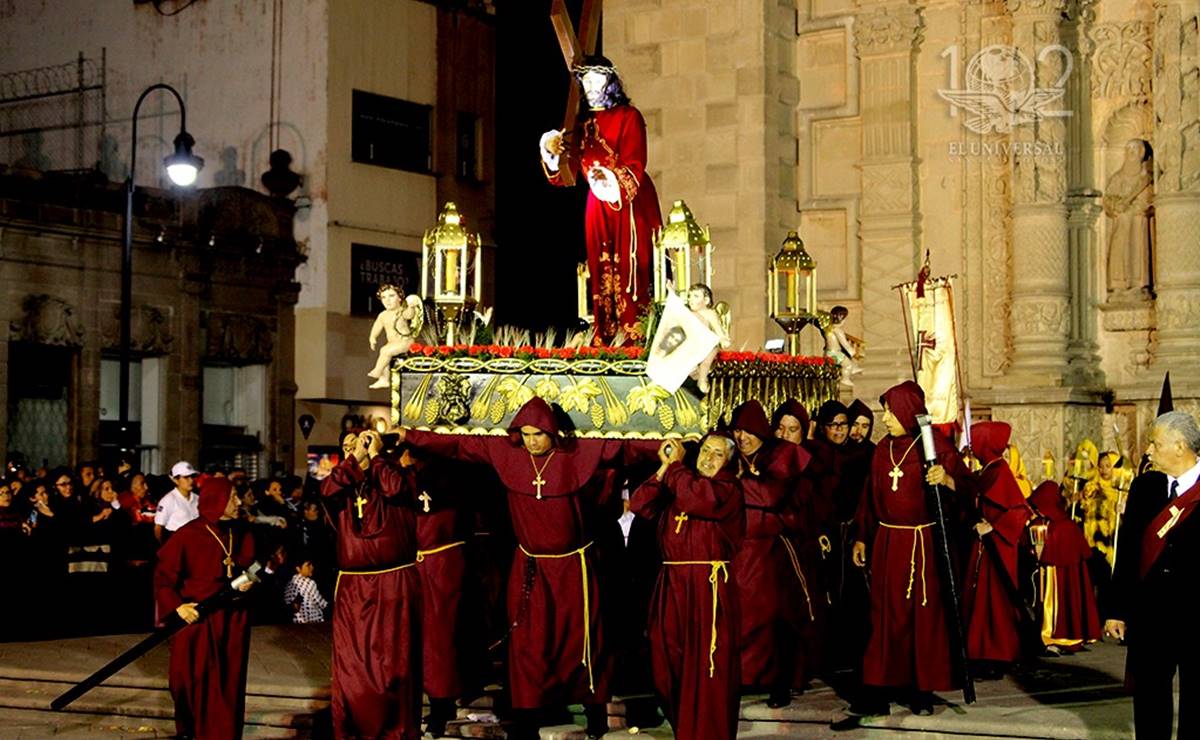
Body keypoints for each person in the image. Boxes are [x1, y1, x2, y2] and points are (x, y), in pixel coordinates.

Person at [396, 397, 659, 739]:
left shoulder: (578, 453)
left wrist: (667, 447)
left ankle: (595, 716)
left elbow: (625, 448)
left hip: (572, 569)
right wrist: (411, 434)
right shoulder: (507, 454)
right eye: (526, 433)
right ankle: (527, 721)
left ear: (553, 431)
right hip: (531, 567)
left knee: (583, 640)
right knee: (528, 643)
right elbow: (460, 443)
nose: (533, 440)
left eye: (539, 434)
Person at [851, 381, 974, 715]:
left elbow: (967, 492)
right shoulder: (881, 450)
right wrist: (863, 536)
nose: (886, 417)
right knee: (886, 617)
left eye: (890, 411)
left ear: (907, 411)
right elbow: (869, 498)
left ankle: (921, 690)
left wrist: (947, 481)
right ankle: (879, 687)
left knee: (923, 619)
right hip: (889, 543)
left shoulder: (935, 446)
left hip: (924, 546)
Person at [539, 55, 663, 343]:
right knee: (601, 270)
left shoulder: (628, 116)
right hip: (597, 205)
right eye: (586, 79)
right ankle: (606, 336)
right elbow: (563, 175)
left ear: (611, 81)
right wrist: (551, 151)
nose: (592, 85)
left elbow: (635, 163)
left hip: (628, 203)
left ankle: (635, 336)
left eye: (598, 79)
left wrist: (610, 179)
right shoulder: (579, 123)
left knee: (632, 270)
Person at [630, 434, 744, 739]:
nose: (708, 458)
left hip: (708, 590)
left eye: (717, 454)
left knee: (707, 668)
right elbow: (640, 503)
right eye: (705, 450)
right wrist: (665, 466)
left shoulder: (726, 488)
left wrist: (677, 465)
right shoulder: (680, 481)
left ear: (728, 462)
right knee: (665, 662)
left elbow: (698, 499)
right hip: (671, 585)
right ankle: (684, 727)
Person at [320, 429, 424, 740]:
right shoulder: (345, 486)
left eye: (361, 443)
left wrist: (377, 456)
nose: (355, 449)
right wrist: (354, 459)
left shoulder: (399, 476)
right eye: (347, 446)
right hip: (354, 589)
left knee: (392, 666)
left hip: (394, 584)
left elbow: (394, 488)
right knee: (353, 668)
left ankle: (395, 731)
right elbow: (327, 489)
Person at [1105, 410, 1200, 739]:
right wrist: (1117, 609)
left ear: (1179, 446)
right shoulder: (1144, 486)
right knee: (1148, 702)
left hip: (1196, 617)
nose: (1147, 451)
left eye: (1154, 444)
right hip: (1150, 616)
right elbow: (1128, 550)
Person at [154, 476, 256, 740]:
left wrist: (248, 584)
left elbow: (251, 568)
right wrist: (177, 607)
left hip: (232, 620)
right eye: (232, 496)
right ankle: (192, 732)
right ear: (217, 500)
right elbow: (163, 578)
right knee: (187, 680)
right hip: (197, 618)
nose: (237, 501)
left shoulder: (240, 532)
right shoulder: (188, 534)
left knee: (228, 683)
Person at [728, 400, 811, 708]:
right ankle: (742, 678)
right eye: (737, 430)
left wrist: (740, 481)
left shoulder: (780, 454)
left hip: (770, 552)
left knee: (773, 618)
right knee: (739, 619)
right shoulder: (729, 455)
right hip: (737, 550)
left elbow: (772, 495)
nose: (742, 437)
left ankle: (779, 683)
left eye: (748, 431)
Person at [962, 421, 1030, 677]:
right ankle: (980, 652)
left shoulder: (1000, 471)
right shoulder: (988, 469)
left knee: (996, 602)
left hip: (998, 547)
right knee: (981, 602)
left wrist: (993, 526)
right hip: (984, 546)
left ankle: (997, 654)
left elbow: (1018, 510)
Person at [1027, 481, 1101, 655]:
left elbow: (1052, 553)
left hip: (1056, 574)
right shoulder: (1049, 522)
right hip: (1051, 572)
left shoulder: (1064, 526)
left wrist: (1042, 552)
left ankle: (1055, 638)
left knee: (1059, 603)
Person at [367, 283, 419, 389]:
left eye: (391, 296)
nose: (387, 300)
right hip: (392, 343)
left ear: (399, 298)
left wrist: (411, 307)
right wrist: (372, 337)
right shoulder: (383, 315)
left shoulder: (401, 311)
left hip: (405, 341)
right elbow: (377, 326)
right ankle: (384, 379)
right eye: (383, 297)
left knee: (386, 351)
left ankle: (378, 370)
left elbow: (409, 315)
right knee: (384, 352)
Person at [686, 284, 731, 393]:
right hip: (694, 344)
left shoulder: (710, 313)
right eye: (689, 296)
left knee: (706, 362)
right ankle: (693, 373)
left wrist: (723, 339)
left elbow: (717, 328)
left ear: (706, 300)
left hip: (709, 344)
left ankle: (702, 380)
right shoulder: (689, 314)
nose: (691, 300)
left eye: (696, 296)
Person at [155, 461, 200, 543]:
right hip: (176, 543)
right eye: (186, 477)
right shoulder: (168, 500)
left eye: (192, 477)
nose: (191, 480)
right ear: (176, 480)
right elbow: (158, 528)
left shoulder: (197, 499)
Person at [282, 558, 327, 624]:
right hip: (311, 622)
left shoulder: (289, 583)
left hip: (295, 622)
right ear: (298, 568)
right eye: (308, 565)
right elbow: (321, 603)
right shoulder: (309, 583)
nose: (312, 567)